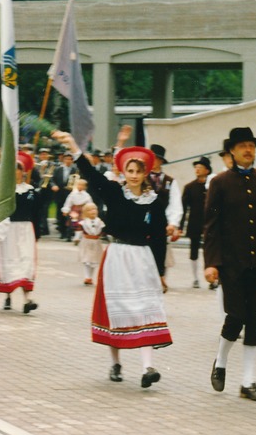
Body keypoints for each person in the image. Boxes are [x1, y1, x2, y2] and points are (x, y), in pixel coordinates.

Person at [52, 128, 172, 389]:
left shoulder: (154, 202)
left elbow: (159, 238)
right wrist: (73, 144)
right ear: (124, 172)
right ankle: (115, 363)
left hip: (142, 258)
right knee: (116, 309)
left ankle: (147, 367)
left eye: (138, 171)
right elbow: (90, 174)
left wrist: (160, 272)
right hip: (117, 255)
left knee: (145, 307)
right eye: (130, 171)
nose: (134, 176)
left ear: (145, 174)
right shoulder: (114, 193)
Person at [204, 126, 256, 402]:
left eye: (251, 145)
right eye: (242, 146)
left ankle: (248, 382)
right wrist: (212, 263)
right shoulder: (219, 182)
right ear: (232, 152)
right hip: (231, 263)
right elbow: (211, 227)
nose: (248, 150)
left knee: (255, 321)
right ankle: (221, 360)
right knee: (235, 315)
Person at [0, 152, 41, 314]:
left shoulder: (31, 191)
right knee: (10, 261)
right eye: (14, 169)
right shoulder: (3, 192)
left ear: (24, 171)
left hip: (25, 231)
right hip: (8, 230)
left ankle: (27, 299)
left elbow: (37, 214)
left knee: (26, 262)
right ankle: (8, 295)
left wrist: (37, 234)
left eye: (19, 169)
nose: (16, 172)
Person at [149, 144, 182, 285]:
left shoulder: (170, 181)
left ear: (161, 161)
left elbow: (176, 203)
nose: (153, 161)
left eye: (155, 158)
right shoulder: (141, 177)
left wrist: (172, 223)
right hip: (145, 223)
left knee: (162, 254)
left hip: (163, 223)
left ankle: (160, 279)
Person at [181, 156, 211, 289]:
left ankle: (212, 279)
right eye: (196, 167)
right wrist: (180, 226)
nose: (197, 170)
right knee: (193, 250)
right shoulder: (189, 187)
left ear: (207, 170)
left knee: (210, 250)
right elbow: (183, 207)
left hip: (209, 223)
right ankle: (195, 277)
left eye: (200, 167)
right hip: (194, 222)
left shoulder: (212, 186)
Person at [76, 202, 105, 286]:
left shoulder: (100, 222)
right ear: (85, 212)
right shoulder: (83, 223)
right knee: (87, 260)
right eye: (89, 210)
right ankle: (87, 276)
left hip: (96, 242)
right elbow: (79, 230)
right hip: (87, 242)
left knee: (94, 261)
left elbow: (103, 230)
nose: (92, 211)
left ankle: (90, 277)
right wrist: (77, 238)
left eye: (94, 209)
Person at [51, 152, 79, 240]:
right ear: (63, 160)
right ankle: (62, 231)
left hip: (70, 194)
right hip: (59, 194)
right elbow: (52, 179)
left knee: (71, 214)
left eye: (70, 159)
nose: (68, 161)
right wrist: (53, 185)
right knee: (60, 213)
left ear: (72, 161)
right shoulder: (58, 169)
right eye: (66, 159)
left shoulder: (75, 170)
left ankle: (69, 232)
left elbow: (78, 181)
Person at [61, 178, 93, 242]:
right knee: (73, 222)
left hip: (83, 210)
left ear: (85, 187)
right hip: (74, 210)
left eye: (82, 185)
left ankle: (78, 237)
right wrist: (66, 210)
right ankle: (69, 235)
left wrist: (90, 211)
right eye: (79, 185)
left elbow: (90, 203)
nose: (80, 186)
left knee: (81, 223)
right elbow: (68, 202)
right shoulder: (73, 194)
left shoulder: (87, 195)